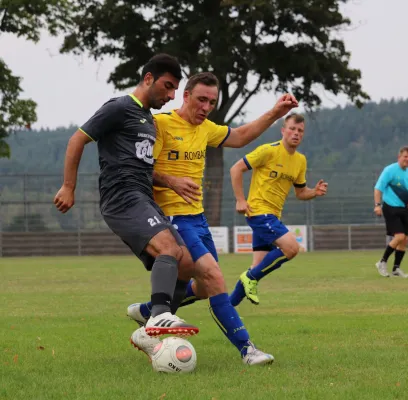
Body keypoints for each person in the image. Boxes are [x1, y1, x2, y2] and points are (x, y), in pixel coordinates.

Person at [125, 72, 299, 365]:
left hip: (198, 219)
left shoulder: (206, 128)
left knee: (205, 287)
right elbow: (141, 169)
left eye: (212, 102)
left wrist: (276, 112)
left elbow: (241, 136)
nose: (206, 107)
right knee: (215, 278)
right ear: (186, 96)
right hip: (172, 218)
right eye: (201, 99)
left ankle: (148, 311)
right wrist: (172, 181)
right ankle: (248, 350)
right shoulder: (162, 124)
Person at [53, 54, 201, 337]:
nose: (171, 96)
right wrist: (68, 186)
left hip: (143, 197)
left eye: (174, 89)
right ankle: (159, 316)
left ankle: (148, 327)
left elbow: (142, 164)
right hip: (122, 196)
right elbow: (78, 139)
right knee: (169, 249)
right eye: (167, 86)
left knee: (186, 263)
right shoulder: (120, 107)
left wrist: (169, 180)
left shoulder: (147, 118)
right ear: (148, 79)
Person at [227, 113, 328, 306]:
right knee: (291, 248)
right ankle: (251, 277)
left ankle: (227, 308)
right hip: (258, 212)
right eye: (292, 129)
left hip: (273, 216)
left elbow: (300, 193)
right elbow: (236, 169)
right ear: (283, 130)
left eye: (300, 131)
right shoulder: (268, 151)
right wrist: (240, 199)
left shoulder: (300, 161)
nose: (296, 133)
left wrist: (314, 191)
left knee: (257, 266)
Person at [373, 146, 408, 278]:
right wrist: (377, 205)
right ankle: (382, 262)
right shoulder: (389, 170)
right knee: (399, 237)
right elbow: (378, 188)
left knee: (404, 240)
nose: (407, 159)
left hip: (403, 209)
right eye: (405, 157)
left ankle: (396, 269)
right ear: (399, 157)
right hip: (390, 207)